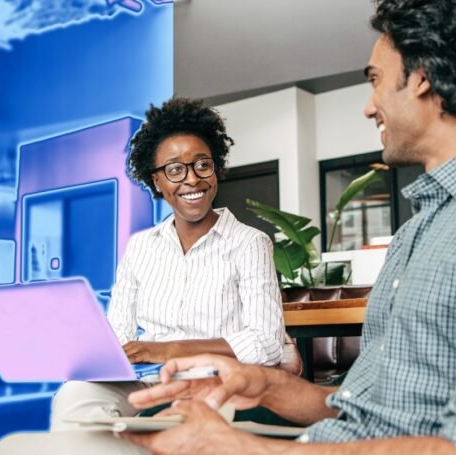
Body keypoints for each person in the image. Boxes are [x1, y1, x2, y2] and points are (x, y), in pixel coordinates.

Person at [0, 0, 456, 453]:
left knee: (31, 450)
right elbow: (360, 407)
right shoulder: (427, 226)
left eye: (374, 79)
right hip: (320, 438)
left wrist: (253, 449)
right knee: (59, 429)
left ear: (422, 80)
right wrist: (258, 383)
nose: (369, 104)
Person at [49, 97, 286, 431]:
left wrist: (169, 350)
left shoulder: (250, 243)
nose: (192, 179)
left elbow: (266, 342)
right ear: (157, 182)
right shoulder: (141, 246)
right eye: (175, 170)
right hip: (150, 381)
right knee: (75, 397)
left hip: (216, 383)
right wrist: (93, 354)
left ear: (215, 168)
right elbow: (119, 333)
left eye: (202, 164)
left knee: (168, 420)